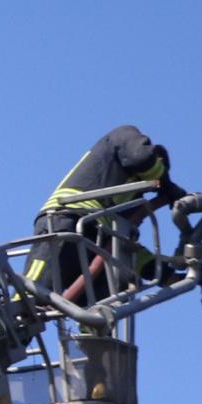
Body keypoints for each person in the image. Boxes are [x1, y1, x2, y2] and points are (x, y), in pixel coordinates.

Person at [28, 125, 175, 301]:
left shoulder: (131, 197)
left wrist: (167, 275)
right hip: (67, 219)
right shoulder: (124, 134)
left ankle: (88, 322)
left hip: (94, 238)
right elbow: (141, 158)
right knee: (35, 292)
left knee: (106, 298)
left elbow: (125, 245)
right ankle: (18, 309)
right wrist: (167, 184)